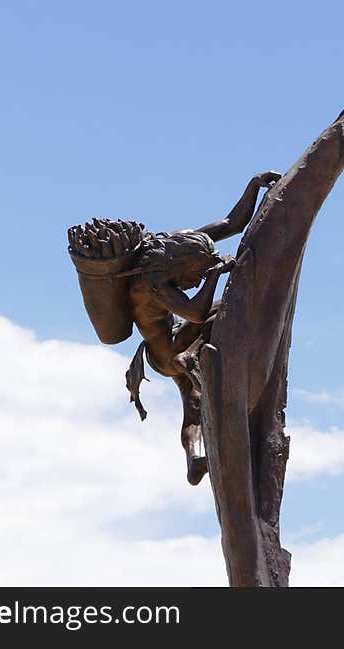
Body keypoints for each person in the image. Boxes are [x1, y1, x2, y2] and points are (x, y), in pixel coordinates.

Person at [124, 170, 282, 485]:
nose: (196, 280)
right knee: (226, 306)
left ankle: (195, 458)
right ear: (182, 266)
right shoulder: (153, 280)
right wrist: (216, 275)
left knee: (194, 406)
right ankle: (191, 355)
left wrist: (253, 186)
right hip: (170, 350)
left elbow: (230, 224)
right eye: (195, 275)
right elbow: (196, 313)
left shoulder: (179, 249)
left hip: (167, 347)